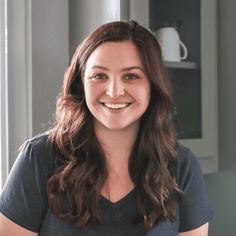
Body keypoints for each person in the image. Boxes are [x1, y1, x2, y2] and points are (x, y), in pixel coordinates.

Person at [0, 20, 213, 236]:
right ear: (81, 83)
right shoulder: (38, 159)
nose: (113, 91)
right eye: (99, 76)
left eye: (131, 76)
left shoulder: (182, 168)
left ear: (153, 85)